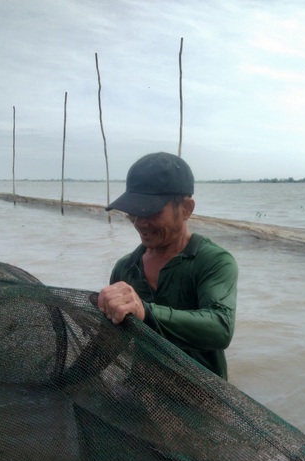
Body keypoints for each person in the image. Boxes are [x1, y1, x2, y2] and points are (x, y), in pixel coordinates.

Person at [97, 152, 238, 380]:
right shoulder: (125, 268)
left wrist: (146, 312)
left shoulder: (214, 261)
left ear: (186, 209)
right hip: (142, 388)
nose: (140, 222)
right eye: (133, 211)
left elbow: (220, 327)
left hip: (203, 396)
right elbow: (110, 343)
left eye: (151, 211)